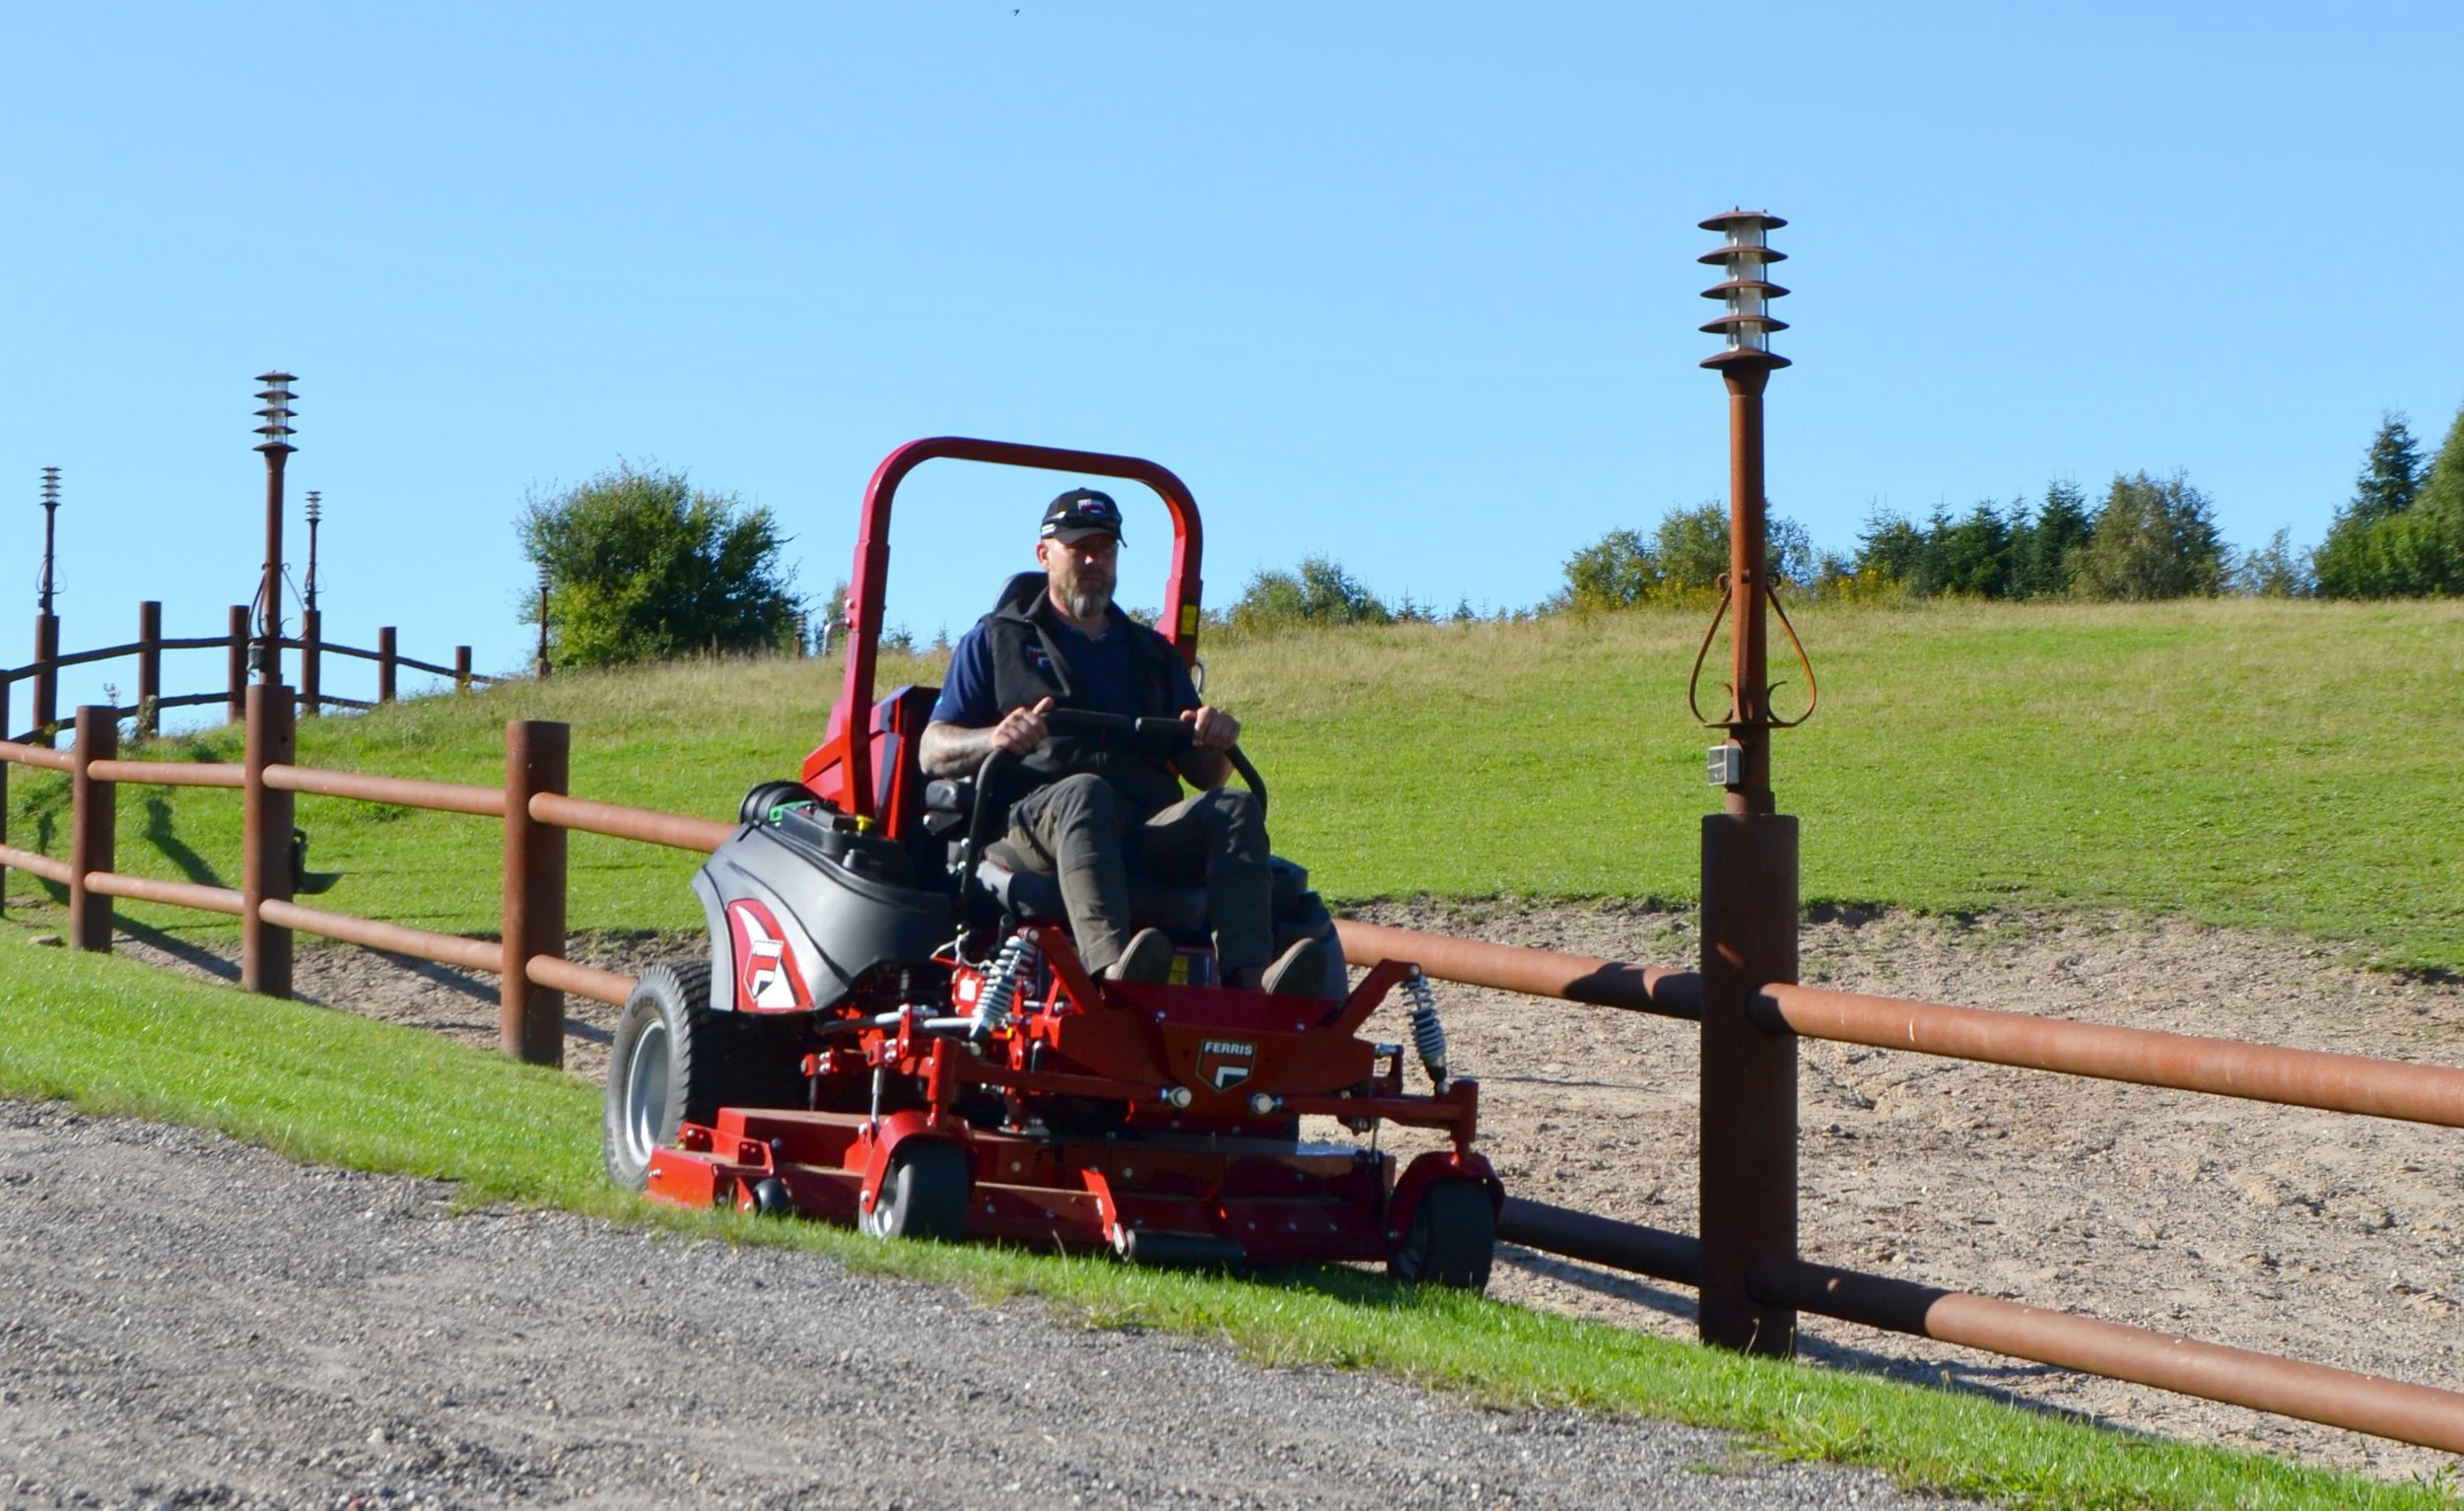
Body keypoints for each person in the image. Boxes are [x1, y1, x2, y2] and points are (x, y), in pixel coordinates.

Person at [919, 488, 1326, 995]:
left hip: (1141, 827)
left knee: (1234, 807)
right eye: (1080, 548)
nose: (1094, 561)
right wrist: (995, 736)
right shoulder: (997, 641)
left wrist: (1214, 740)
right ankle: (1114, 970)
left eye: (1105, 549)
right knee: (1085, 792)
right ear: (1044, 554)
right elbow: (932, 748)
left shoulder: (1151, 655)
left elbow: (1205, 775)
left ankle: (1250, 980)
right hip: (1031, 825)